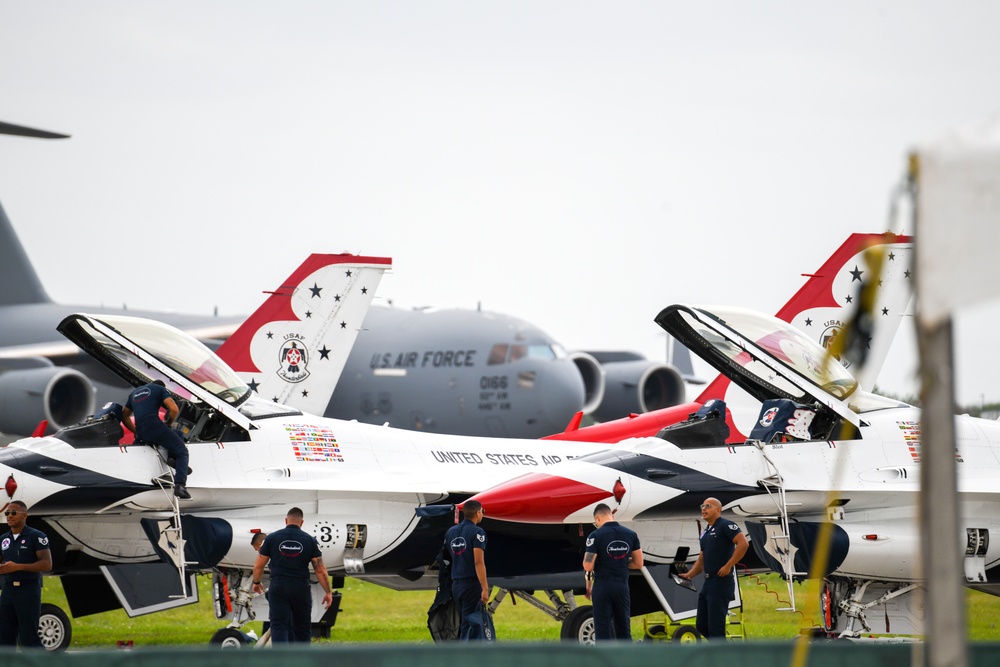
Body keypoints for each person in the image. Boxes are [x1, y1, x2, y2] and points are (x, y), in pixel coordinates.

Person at [251, 508, 332, 643]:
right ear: (302, 522)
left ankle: (281, 661)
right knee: (302, 627)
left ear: (286, 520)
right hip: (300, 587)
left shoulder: (271, 538)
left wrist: (256, 582)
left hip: (278, 587)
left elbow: (258, 565)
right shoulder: (310, 540)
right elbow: (320, 569)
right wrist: (328, 592)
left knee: (279, 626)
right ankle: (301, 660)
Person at [679, 497, 749, 640]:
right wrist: (690, 574)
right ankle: (720, 654)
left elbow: (743, 544)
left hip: (721, 582)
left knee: (716, 627)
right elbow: (702, 558)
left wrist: (728, 566)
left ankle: (721, 659)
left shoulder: (725, 525)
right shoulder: (705, 532)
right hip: (708, 583)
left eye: (708, 506)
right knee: (701, 626)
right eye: (702, 506)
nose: (703, 509)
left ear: (718, 509)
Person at [582, 503, 643, 641]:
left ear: (597, 519)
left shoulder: (595, 536)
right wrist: (620, 562)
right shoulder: (631, 534)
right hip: (622, 586)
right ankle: (625, 659)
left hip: (603, 586)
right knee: (623, 628)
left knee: (603, 629)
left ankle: (605, 661)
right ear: (612, 515)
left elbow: (588, 566)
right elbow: (639, 563)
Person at [122, 380, 191, 499]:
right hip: (155, 426)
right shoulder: (160, 389)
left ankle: (171, 459)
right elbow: (174, 409)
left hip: (142, 432)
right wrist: (169, 423)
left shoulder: (134, 393)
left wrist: (136, 432)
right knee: (182, 451)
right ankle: (180, 486)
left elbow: (125, 416)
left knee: (178, 434)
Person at [0, 501, 53, 649]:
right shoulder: (4, 539)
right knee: (4, 639)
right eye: (7, 513)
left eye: (14, 513)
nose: (9, 516)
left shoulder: (36, 536)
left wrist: (18, 567)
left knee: (29, 639)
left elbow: (47, 564)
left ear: (25, 515)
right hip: (8, 591)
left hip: (28, 591)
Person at [444, 500, 490, 640]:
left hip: (456, 584)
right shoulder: (477, 532)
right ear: (477, 513)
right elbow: (478, 562)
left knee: (464, 620)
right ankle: (469, 654)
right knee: (472, 622)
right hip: (471, 584)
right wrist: (485, 588)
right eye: (482, 511)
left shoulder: (451, 532)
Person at [250, 532, 270, 637]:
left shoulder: (268, 550)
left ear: (260, 544)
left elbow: (258, 566)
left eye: (257, 549)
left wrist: (256, 582)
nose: (258, 552)